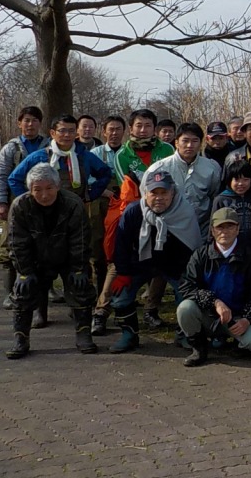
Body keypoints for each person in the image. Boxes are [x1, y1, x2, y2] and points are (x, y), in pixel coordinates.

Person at [5, 164, 98, 358]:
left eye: (49, 188)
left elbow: (80, 239)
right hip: (36, 259)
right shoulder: (20, 206)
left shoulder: (73, 204)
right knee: (23, 291)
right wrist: (24, 271)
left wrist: (79, 268)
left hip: (67, 257)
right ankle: (21, 338)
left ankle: (84, 334)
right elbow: (17, 243)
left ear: (57, 186)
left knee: (81, 287)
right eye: (37, 190)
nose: (44, 195)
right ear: (30, 190)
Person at [109, 169, 202, 353]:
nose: (159, 198)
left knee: (188, 298)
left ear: (173, 193)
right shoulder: (133, 212)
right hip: (140, 263)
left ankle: (185, 335)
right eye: (154, 192)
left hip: (173, 264)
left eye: (164, 192)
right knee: (120, 297)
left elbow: (192, 248)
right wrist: (123, 273)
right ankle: (129, 335)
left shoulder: (184, 211)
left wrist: (188, 280)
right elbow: (121, 246)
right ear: (145, 193)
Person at [106, 108, 176, 331]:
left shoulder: (166, 149)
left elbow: (171, 181)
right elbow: (127, 187)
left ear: (154, 128)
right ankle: (103, 309)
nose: (143, 130)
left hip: (166, 210)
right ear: (131, 128)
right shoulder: (122, 155)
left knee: (163, 258)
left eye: (148, 125)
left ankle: (151, 308)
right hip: (135, 210)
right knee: (125, 253)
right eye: (139, 125)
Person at [176, 208, 251, 367]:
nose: (224, 231)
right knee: (185, 308)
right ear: (212, 230)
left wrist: (247, 319)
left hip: (237, 318)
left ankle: (237, 347)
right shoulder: (200, 255)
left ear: (238, 229)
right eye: (220, 227)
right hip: (208, 315)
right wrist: (215, 302)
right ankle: (199, 349)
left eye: (230, 226)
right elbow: (187, 286)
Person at [0, 106, 51, 309]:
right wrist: (1, 202)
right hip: (17, 205)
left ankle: (47, 290)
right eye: (26, 120)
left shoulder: (49, 146)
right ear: (19, 123)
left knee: (45, 247)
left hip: (45, 204)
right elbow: (2, 176)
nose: (30, 124)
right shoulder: (12, 149)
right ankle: (10, 293)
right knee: (11, 248)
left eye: (35, 120)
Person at [146, 122, 222, 238]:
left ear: (201, 143)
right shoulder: (159, 168)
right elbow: (147, 200)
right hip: (168, 232)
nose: (189, 145)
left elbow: (214, 197)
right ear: (176, 142)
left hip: (201, 231)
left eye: (195, 141)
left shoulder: (212, 168)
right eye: (185, 141)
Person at [89, 115, 126, 335]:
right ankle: (97, 296)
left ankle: (114, 298)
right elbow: (88, 179)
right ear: (104, 132)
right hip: (99, 204)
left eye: (118, 129)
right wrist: (104, 191)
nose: (114, 133)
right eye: (110, 129)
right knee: (98, 250)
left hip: (122, 205)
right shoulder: (95, 154)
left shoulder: (127, 154)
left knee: (116, 250)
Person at [212, 160, 251, 254]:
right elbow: (213, 226)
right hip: (231, 249)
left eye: (245, 179)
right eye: (236, 179)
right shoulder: (221, 200)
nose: (241, 184)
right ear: (229, 180)